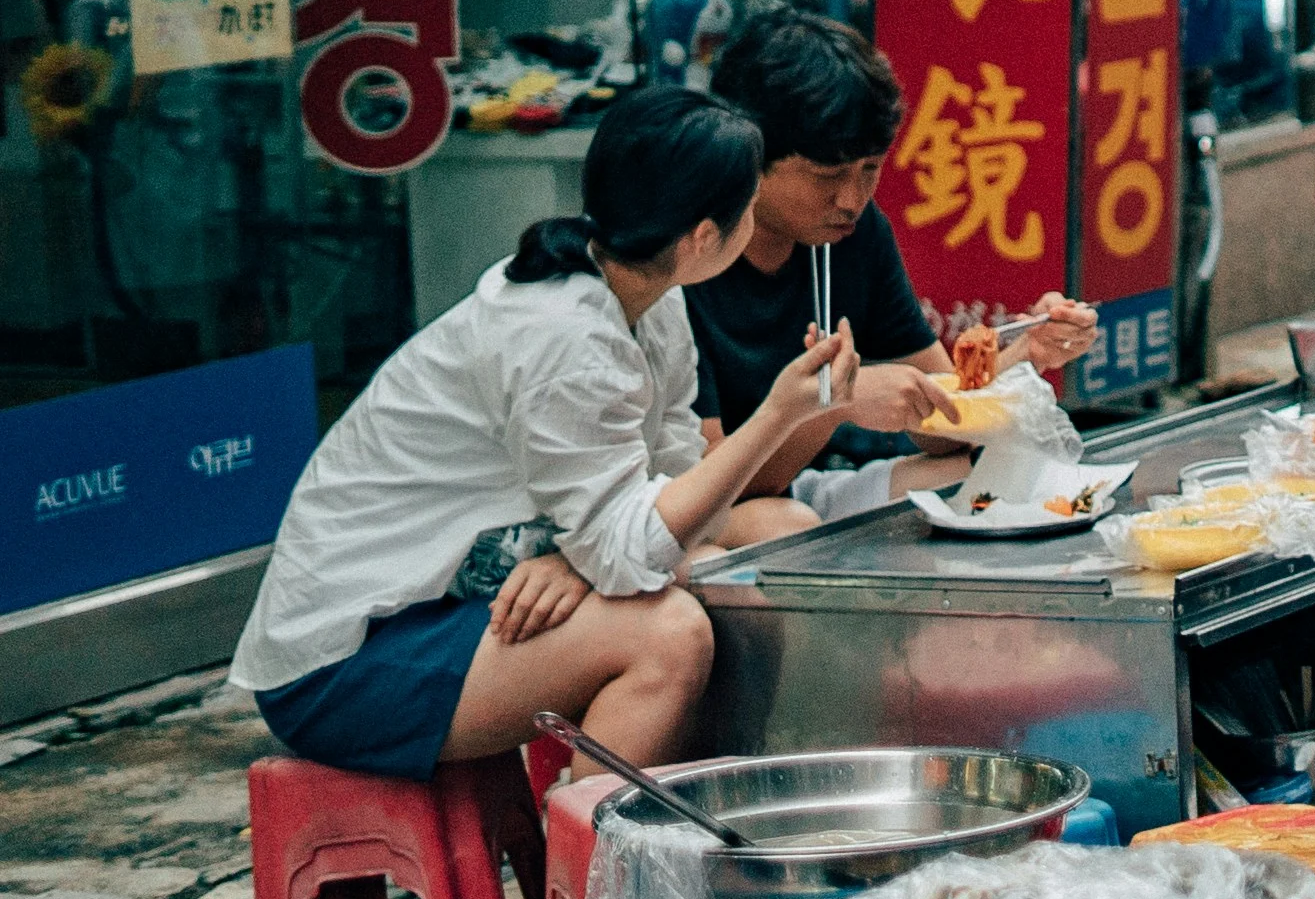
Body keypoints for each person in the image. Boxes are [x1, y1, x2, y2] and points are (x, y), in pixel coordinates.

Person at [230, 88, 862, 777]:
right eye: (747, 210)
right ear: (705, 237)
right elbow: (630, 550)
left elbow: (670, 491)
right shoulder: (565, 336)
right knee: (668, 636)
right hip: (347, 656)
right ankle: (598, 875)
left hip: (457, 599)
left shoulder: (652, 301)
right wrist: (779, 415)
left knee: (778, 530)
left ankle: (733, 812)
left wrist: (577, 560)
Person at [684, 6, 1098, 539]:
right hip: (698, 510)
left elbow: (944, 425)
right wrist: (836, 401)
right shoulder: (690, 259)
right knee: (779, 524)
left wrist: (1020, 355)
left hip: (803, 490)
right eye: (826, 175)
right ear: (748, 154)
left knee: (987, 478)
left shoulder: (849, 237)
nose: (852, 200)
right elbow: (704, 490)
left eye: (870, 170)